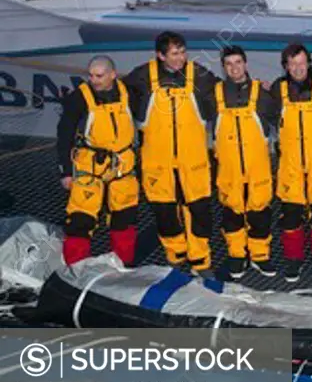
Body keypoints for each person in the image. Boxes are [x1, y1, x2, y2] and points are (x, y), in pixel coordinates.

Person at [124, 32, 218, 273]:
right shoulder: (142, 77)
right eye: (174, 54)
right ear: (160, 55)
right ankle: (175, 254)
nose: (181, 58)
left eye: (183, 52)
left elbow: (224, 93)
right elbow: (119, 97)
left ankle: (201, 260)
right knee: (164, 211)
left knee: (199, 211)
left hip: (193, 160)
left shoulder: (198, 75)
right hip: (157, 162)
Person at [57, 55, 138, 267]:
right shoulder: (79, 98)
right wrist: (66, 172)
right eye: (91, 75)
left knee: (124, 219)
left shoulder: (128, 92)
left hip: (122, 168)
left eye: (100, 76)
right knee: (80, 221)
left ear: (113, 74)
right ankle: (76, 270)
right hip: (89, 168)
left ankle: (124, 266)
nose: (94, 80)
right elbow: (64, 134)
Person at [269, 43, 312, 282]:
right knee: (291, 217)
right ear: (286, 66)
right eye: (292, 63)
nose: (297, 68)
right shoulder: (278, 89)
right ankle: (293, 259)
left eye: (301, 62)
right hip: (291, 167)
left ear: (309, 62)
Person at [211, 45, 277, 279]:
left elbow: (282, 115)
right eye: (229, 64)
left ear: (246, 64)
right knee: (232, 214)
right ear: (224, 67)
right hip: (229, 170)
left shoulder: (262, 93)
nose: (234, 68)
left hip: (257, 167)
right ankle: (237, 254)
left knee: (260, 213)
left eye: (238, 62)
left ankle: (260, 255)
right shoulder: (215, 94)